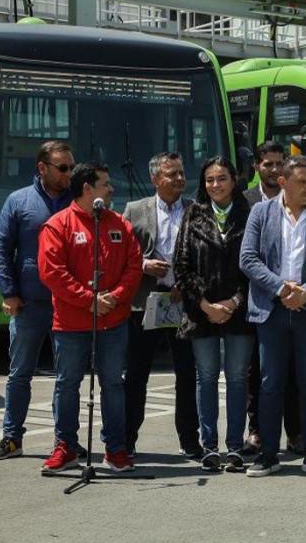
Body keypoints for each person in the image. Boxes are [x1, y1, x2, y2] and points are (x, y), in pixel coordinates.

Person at [240, 155, 306, 477]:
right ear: (283, 182)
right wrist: (281, 289)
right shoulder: (261, 211)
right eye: (301, 182)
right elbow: (248, 258)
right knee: (271, 384)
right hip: (271, 310)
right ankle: (268, 455)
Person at [37, 163, 143, 473]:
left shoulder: (120, 225)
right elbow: (52, 273)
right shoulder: (58, 226)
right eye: (105, 184)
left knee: (113, 383)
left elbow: (133, 267)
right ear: (87, 188)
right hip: (71, 324)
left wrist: (115, 298)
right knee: (67, 383)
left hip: (113, 320)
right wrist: (90, 301)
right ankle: (66, 446)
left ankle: (116, 449)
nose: (111, 189)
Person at [0, 141, 73, 461]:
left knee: (67, 377)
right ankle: (12, 438)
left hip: (69, 303)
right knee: (20, 373)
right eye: (62, 167)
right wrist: (8, 292)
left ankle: (65, 442)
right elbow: (1, 249)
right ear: (42, 168)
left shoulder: (77, 202)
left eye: (71, 167)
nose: (69, 174)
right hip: (29, 304)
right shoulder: (18, 201)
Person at [174, 157, 255, 472]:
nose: (216, 185)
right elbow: (181, 264)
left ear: (233, 180)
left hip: (240, 310)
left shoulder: (249, 213)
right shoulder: (193, 213)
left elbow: (257, 263)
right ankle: (209, 447)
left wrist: (234, 302)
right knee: (205, 378)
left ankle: (234, 447)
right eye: (210, 180)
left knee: (237, 379)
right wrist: (205, 305)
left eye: (221, 178)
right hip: (201, 312)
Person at [121, 152, 200, 460]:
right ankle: (126, 439)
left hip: (184, 302)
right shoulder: (135, 209)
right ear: (155, 179)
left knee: (187, 373)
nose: (179, 179)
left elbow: (204, 255)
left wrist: (188, 281)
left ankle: (189, 439)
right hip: (146, 302)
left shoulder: (196, 210)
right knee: (137, 374)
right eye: (172, 174)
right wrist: (142, 264)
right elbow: (121, 253)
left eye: (181, 173)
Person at [241, 140, 303, 456]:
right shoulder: (246, 202)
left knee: (291, 372)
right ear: (257, 167)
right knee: (259, 373)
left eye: (280, 163)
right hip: (257, 300)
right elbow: (244, 256)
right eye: (268, 164)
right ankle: (257, 432)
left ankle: (295, 433)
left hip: (295, 301)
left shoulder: (300, 199)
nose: (275, 169)